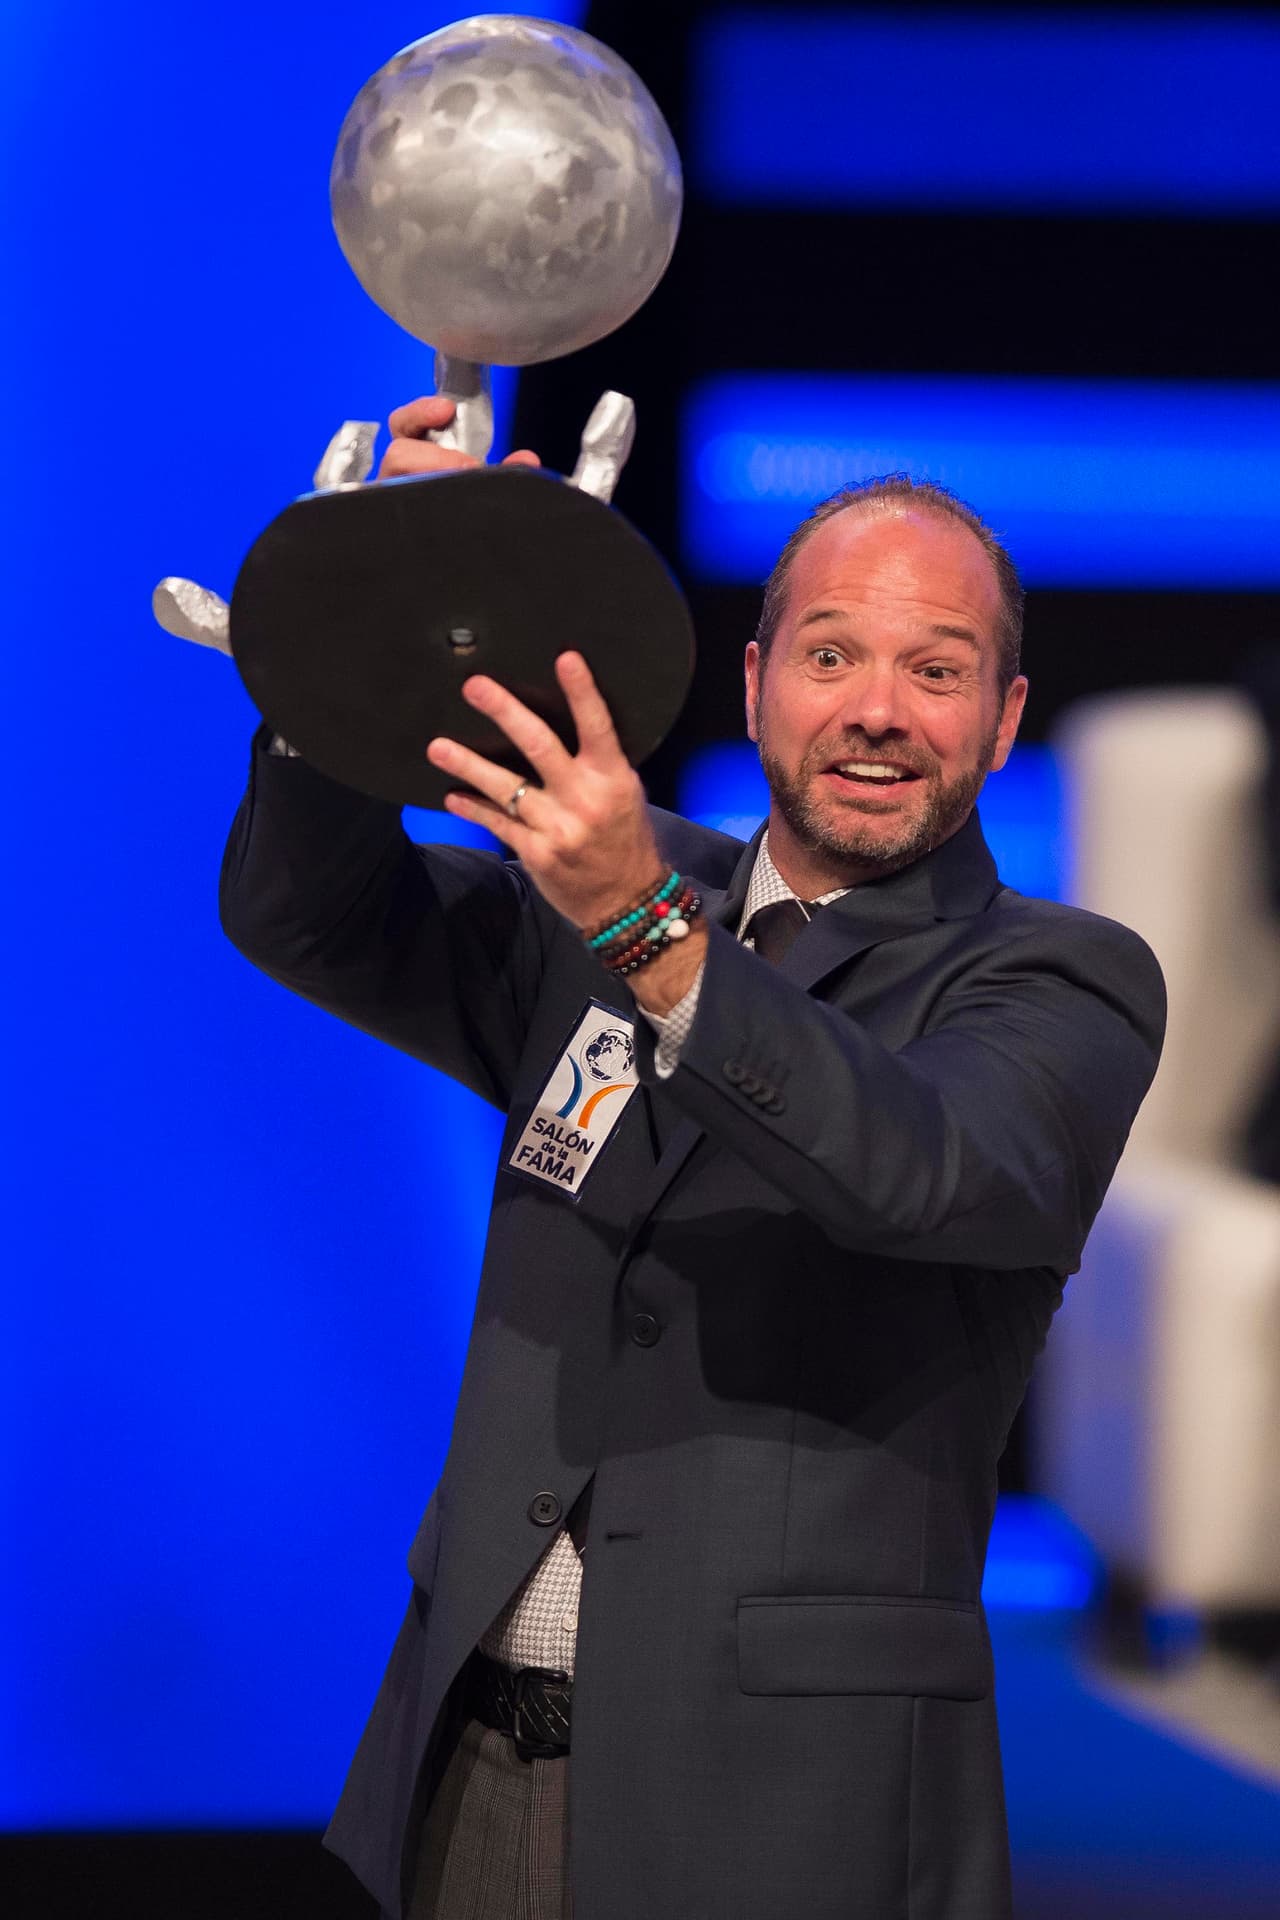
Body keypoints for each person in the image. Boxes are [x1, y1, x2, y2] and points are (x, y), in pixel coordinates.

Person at [219, 396, 1166, 1920]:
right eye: (832, 652)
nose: (877, 707)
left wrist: (648, 935)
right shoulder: (611, 891)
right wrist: (367, 603)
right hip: (469, 1773)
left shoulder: (1059, 977)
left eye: (938, 671)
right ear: (755, 679)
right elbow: (312, 916)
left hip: (790, 1824)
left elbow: (913, 1168)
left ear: (1001, 718)